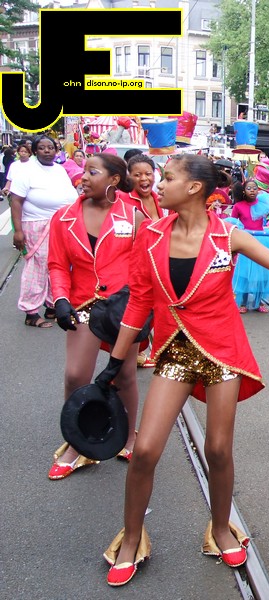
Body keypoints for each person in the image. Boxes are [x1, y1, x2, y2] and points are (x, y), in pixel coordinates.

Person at [99, 154, 269, 586]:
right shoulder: (149, 235)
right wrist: (115, 363)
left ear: (194, 188)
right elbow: (137, 304)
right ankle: (131, 538)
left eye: (167, 178)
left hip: (222, 353)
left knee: (218, 449)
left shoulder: (228, 236)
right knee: (146, 449)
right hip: (175, 353)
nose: (158, 184)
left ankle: (221, 527)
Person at [47, 152, 143, 477]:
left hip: (123, 306)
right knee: (76, 375)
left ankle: (129, 437)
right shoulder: (63, 218)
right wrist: (61, 298)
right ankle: (76, 444)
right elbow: (57, 264)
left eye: (93, 171)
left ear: (114, 179)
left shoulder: (133, 215)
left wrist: (141, 304)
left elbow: (144, 263)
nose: (84, 177)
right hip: (82, 304)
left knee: (125, 375)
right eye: (84, 171)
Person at [9, 135, 79, 328]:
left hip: (61, 224)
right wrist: (18, 231)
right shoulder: (26, 171)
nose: (47, 151)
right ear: (35, 151)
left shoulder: (59, 169)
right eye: (42, 148)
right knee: (38, 267)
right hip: (36, 224)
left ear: (56, 150)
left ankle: (51, 305)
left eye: (51, 147)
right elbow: (16, 201)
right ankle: (31, 312)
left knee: (58, 265)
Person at [230, 178, 269, 313]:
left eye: (255, 188)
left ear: (258, 191)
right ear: (244, 191)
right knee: (245, 274)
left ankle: (259, 302)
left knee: (262, 274)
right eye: (249, 188)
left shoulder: (263, 203)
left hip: (262, 242)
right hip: (245, 241)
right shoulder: (238, 206)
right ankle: (243, 302)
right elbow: (232, 221)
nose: (252, 191)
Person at [119, 154, 166, 221]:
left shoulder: (161, 199)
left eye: (148, 174)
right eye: (137, 175)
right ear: (129, 177)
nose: (143, 178)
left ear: (154, 175)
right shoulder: (121, 199)